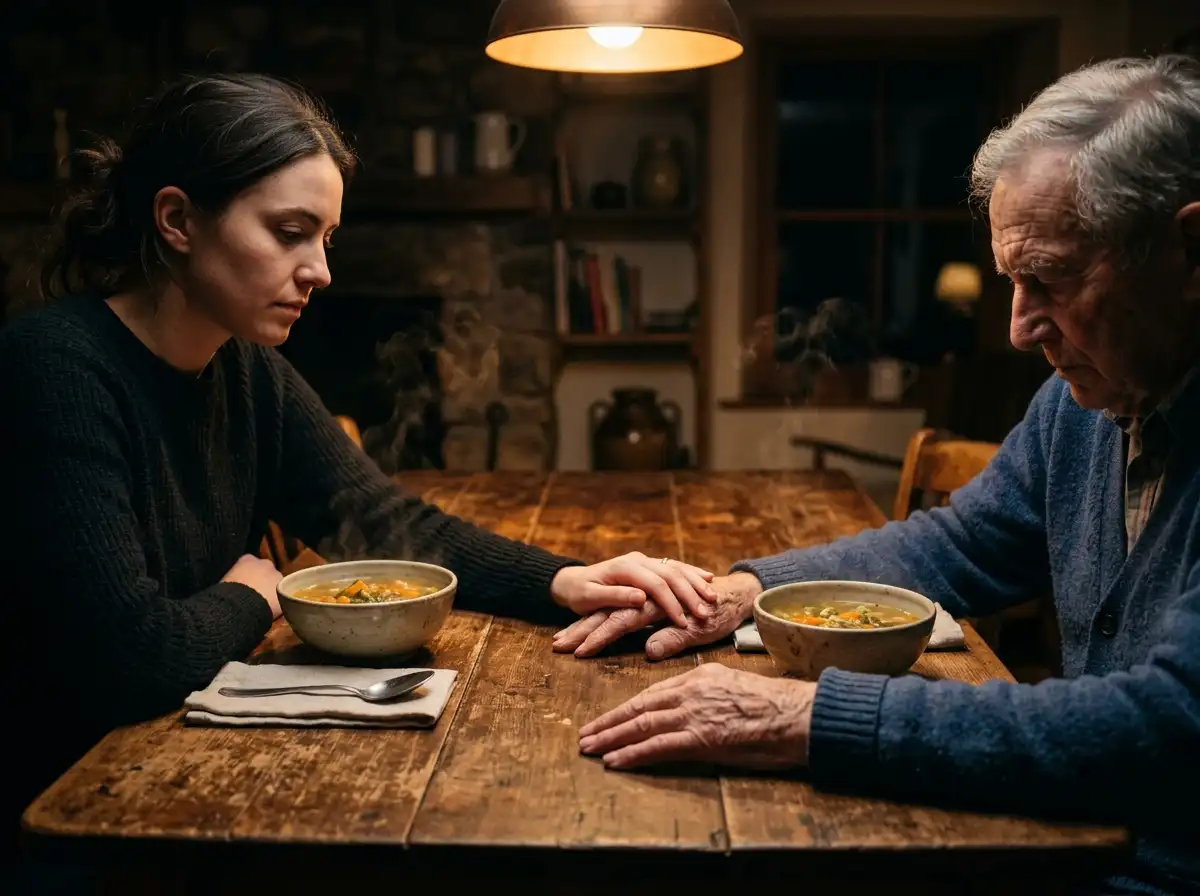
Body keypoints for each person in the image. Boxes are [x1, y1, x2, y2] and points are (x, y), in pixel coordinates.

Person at [0, 71, 717, 867]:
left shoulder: (245, 370)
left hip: (180, 780)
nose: (321, 272)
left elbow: (384, 522)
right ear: (177, 221)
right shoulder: (53, 371)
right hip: (67, 820)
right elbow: (129, 662)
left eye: (326, 239)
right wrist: (253, 593)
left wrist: (566, 581)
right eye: (288, 232)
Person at [556, 54, 1200, 895]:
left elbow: (1164, 726)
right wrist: (749, 591)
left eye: (1050, 277)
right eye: (1011, 281)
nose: (1017, 327)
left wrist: (810, 716)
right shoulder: (1083, 402)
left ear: (1190, 249)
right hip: (1081, 841)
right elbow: (963, 544)